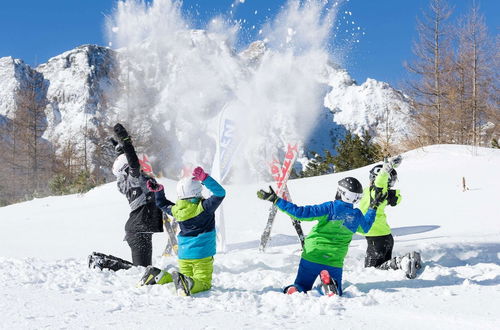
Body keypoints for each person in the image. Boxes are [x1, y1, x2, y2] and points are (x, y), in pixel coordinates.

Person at [257, 177, 382, 296]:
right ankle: (328, 286)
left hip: (312, 254)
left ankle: (296, 289)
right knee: (336, 289)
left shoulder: (330, 208)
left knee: (302, 284)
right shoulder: (357, 215)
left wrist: (276, 200)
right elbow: (366, 228)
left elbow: (300, 213)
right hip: (334, 259)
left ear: (342, 193)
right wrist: (373, 208)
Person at [140, 166, 226, 296]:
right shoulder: (204, 207)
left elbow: (162, 203)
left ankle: (159, 276)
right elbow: (220, 193)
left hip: (184, 254)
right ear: (197, 191)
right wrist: (205, 178)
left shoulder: (176, 210)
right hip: (202, 254)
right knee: (203, 283)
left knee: (183, 280)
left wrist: (159, 191)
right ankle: (186, 283)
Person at [89, 123, 163, 271]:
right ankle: (102, 262)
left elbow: (128, 163)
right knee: (142, 271)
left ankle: (102, 261)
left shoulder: (132, 180)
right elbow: (133, 163)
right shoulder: (133, 179)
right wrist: (125, 140)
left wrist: (120, 149)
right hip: (139, 229)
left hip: (141, 228)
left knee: (143, 269)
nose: (142, 166)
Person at [358, 155, 422, 279]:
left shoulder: (376, 191)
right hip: (383, 236)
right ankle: (405, 262)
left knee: (371, 272)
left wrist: (386, 169)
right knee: (382, 270)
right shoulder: (374, 192)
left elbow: (380, 181)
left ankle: (403, 261)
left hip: (376, 237)